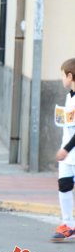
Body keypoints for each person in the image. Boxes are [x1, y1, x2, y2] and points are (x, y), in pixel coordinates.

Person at [53, 58, 75, 242]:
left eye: (63, 75)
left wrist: (66, 149)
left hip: (71, 151)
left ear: (70, 76)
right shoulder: (70, 96)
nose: (62, 79)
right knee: (64, 185)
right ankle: (68, 224)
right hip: (67, 153)